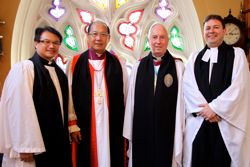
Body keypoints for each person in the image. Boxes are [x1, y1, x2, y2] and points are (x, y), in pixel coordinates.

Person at [183, 14, 250, 167]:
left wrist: (215, 109)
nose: (211, 31)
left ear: (224, 31)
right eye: (208, 28)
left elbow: (239, 87)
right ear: (203, 32)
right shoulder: (194, 58)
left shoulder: (237, 55)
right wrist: (206, 111)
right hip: (200, 122)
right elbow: (188, 87)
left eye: (216, 27)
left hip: (225, 123)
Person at [0, 26, 72, 167]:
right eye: (46, 41)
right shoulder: (25, 69)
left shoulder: (59, 73)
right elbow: (19, 109)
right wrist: (25, 145)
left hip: (56, 142)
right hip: (32, 147)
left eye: (56, 43)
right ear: (35, 43)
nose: (51, 46)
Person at [123, 22, 185, 167]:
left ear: (167, 40)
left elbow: (182, 103)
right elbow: (131, 102)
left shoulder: (178, 67)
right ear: (148, 40)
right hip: (142, 130)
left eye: (162, 37)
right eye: (154, 37)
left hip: (168, 131)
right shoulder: (138, 66)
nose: (158, 41)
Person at [67, 20, 128, 167]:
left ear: (108, 38)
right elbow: (69, 96)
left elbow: (125, 95)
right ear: (88, 37)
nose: (98, 38)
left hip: (112, 124)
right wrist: (72, 123)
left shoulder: (118, 63)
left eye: (103, 34)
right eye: (94, 34)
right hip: (84, 125)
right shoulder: (75, 62)